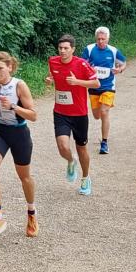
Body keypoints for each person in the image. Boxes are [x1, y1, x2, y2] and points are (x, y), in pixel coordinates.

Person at [0, 52, 38, 238]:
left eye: (0, 68)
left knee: (24, 177)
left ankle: (31, 213)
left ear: (10, 67)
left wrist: (13, 106)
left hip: (18, 133)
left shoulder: (19, 86)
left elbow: (33, 115)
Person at [44, 35, 100, 196]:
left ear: (73, 49)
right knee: (62, 146)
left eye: (66, 48)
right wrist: (49, 80)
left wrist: (77, 82)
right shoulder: (53, 61)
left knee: (81, 147)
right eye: (60, 48)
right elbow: (51, 76)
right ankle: (70, 161)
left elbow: (96, 83)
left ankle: (85, 178)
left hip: (79, 113)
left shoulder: (81, 64)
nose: (62, 51)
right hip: (60, 112)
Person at [80, 27, 126, 155]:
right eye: (99, 39)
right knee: (97, 115)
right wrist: (89, 69)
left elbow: (123, 63)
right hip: (94, 87)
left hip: (108, 87)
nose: (101, 41)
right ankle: (103, 129)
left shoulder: (113, 51)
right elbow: (82, 65)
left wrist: (120, 69)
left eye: (103, 39)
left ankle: (104, 143)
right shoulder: (89, 49)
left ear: (108, 39)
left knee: (104, 112)